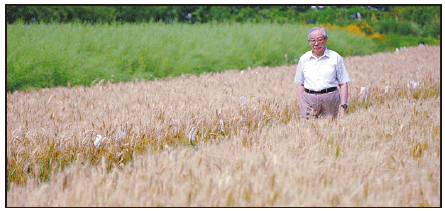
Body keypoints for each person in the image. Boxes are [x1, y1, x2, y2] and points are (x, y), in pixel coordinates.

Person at [294, 27, 350, 119]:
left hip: (330, 99)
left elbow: (343, 83)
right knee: (307, 130)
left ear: (326, 40)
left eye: (320, 40)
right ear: (309, 41)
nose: (316, 43)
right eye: (313, 40)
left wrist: (344, 107)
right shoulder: (304, 58)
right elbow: (301, 84)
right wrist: (302, 105)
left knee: (330, 128)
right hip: (309, 99)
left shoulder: (335, 58)